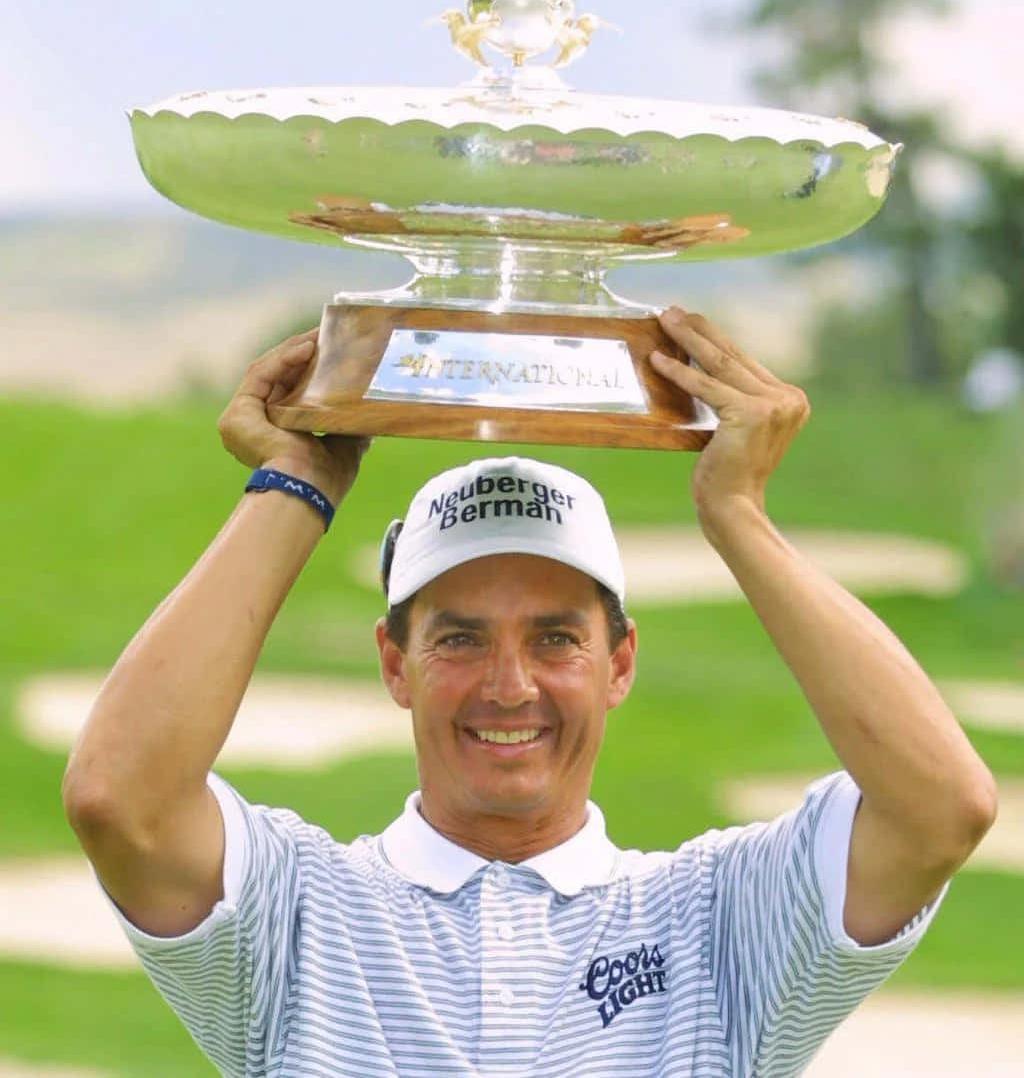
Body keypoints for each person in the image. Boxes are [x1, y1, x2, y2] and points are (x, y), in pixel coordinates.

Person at [63, 308, 997, 1077]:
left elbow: (941, 807)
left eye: (555, 639)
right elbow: (119, 798)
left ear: (619, 662)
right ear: (394, 663)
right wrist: (295, 483)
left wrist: (738, 514)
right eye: (460, 638)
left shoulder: (716, 918)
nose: (509, 687)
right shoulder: (303, 909)